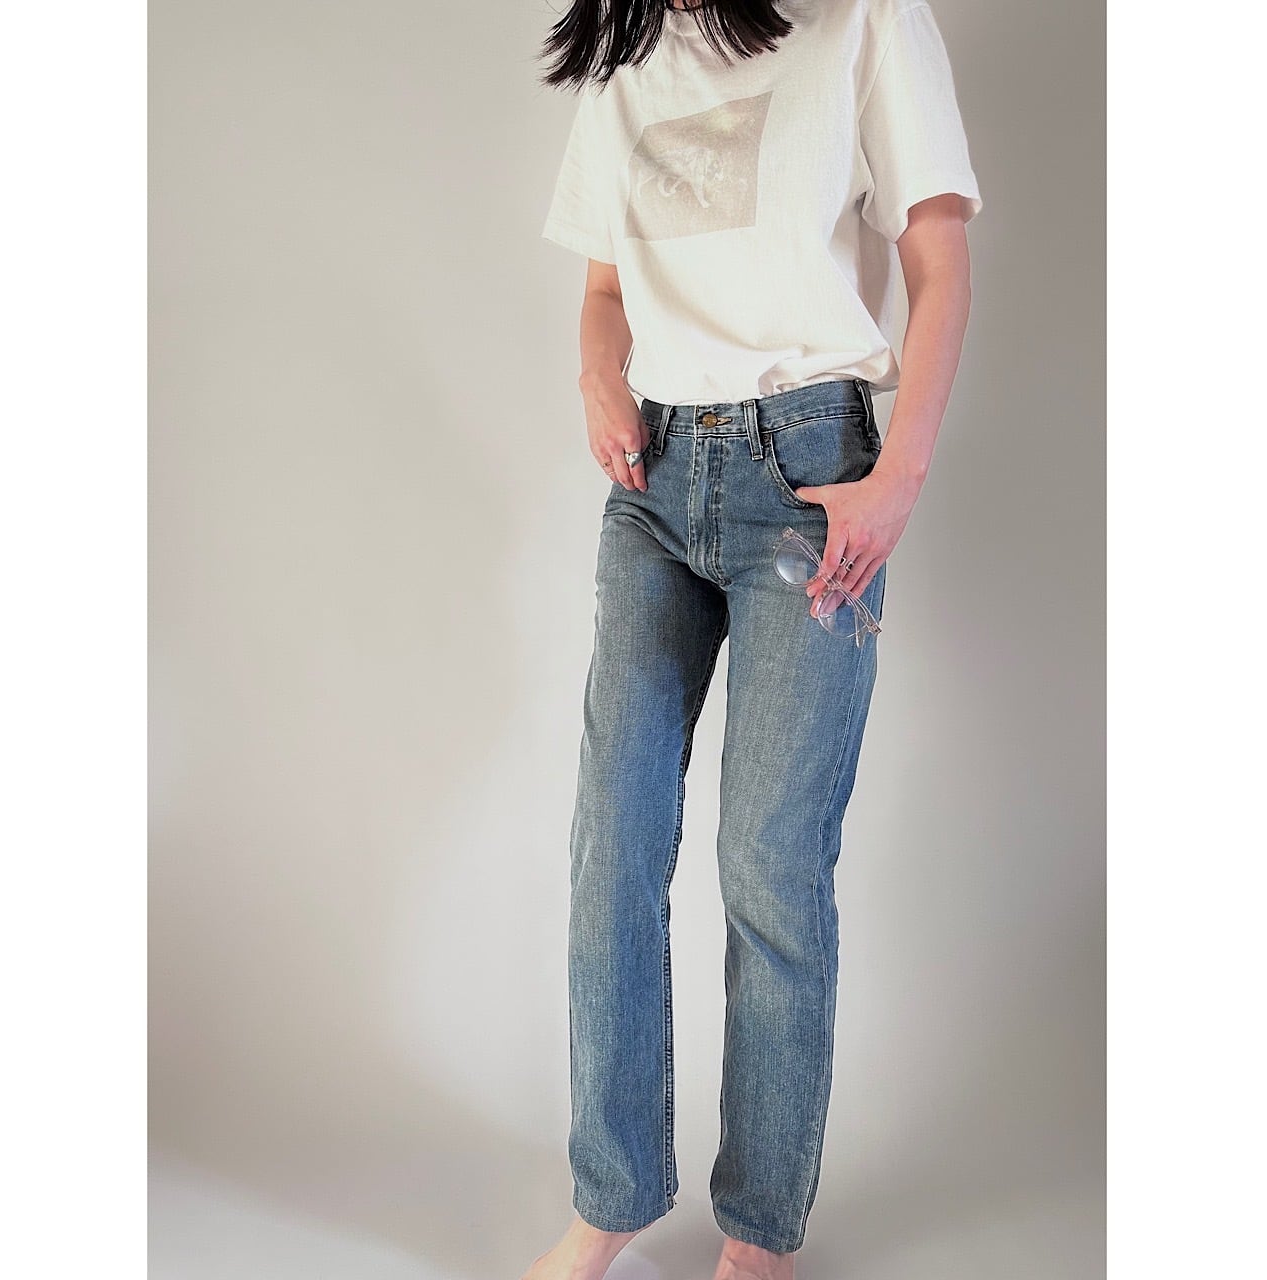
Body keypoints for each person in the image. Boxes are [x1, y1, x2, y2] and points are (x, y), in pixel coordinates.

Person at [525, 1, 981, 1276]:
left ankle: (757, 1237)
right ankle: (611, 1196)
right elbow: (605, 288)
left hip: (809, 470)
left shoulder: (861, 17)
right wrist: (596, 373)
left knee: (769, 868)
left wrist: (896, 479)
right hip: (654, 482)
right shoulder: (623, 55)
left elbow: (939, 261)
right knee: (611, 850)